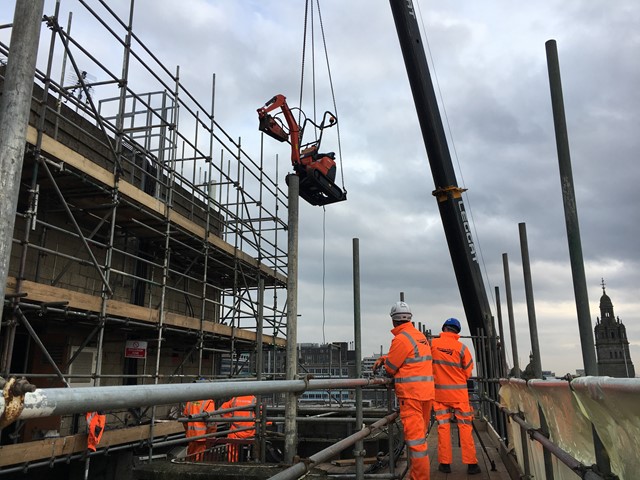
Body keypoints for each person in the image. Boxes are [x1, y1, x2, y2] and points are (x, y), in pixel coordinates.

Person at [373, 301, 434, 480]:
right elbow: (409, 357)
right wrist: (386, 358)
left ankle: (420, 478)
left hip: (411, 396)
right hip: (425, 394)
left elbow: (391, 368)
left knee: (416, 443)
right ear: (410, 318)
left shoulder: (401, 338)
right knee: (420, 439)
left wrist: (386, 361)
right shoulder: (419, 336)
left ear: (393, 321)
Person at [431, 317, 481, 475]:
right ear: (457, 332)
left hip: (439, 395)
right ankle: (472, 465)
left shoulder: (432, 344)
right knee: (465, 427)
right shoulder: (462, 348)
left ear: (444, 328)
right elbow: (467, 372)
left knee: (443, 427)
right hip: (460, 396)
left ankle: (445, 464)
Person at [220, 394, 257, 462]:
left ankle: (232, 463)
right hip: (250, 433)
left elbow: (221, 411)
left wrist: (230, 418)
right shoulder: (253, 399)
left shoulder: (235, 399)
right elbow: (261, 415)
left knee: (231, 446)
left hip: (235, 432)